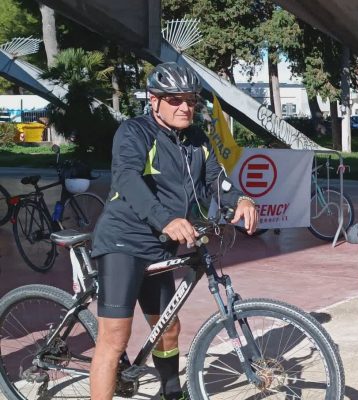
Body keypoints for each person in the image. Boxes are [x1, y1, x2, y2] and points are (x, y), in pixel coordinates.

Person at [89, 62, 259, 400]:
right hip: (123, 241)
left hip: (160, 246)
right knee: (115, 338)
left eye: (191, 101)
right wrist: (165, 218)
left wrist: (240, 198)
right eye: (175, 99)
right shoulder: (135, 132)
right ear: (154, 100)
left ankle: (172, 394)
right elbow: (126, 178)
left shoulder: (196, 138)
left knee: (168, 329)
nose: (185, 107)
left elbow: (215, 179)